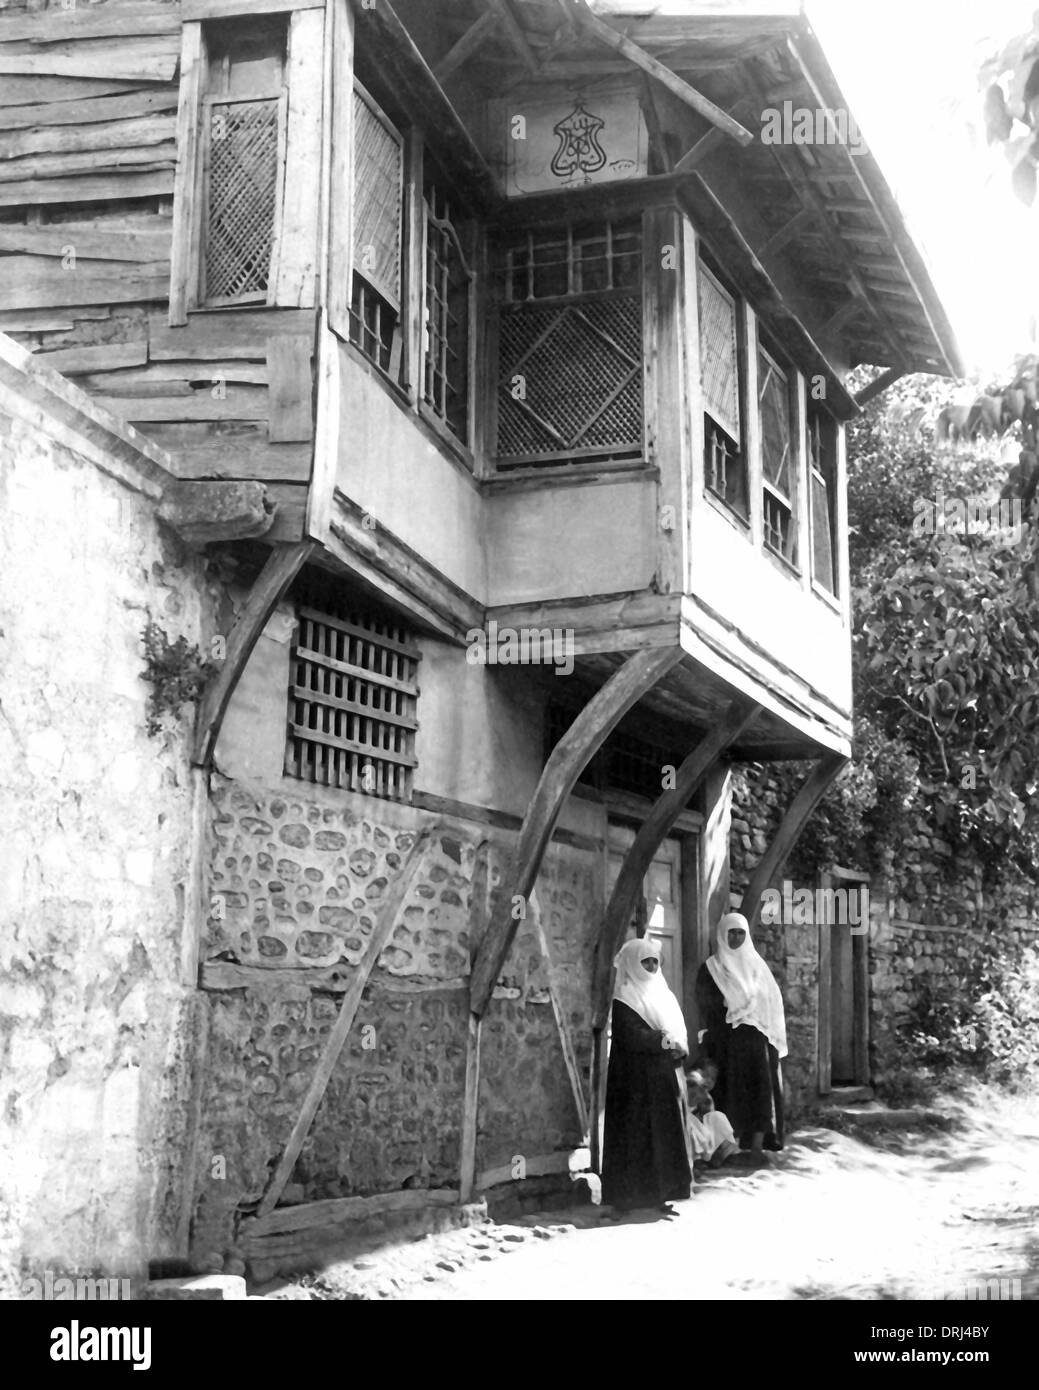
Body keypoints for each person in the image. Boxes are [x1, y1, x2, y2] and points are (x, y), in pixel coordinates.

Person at [601, 937, 692, 1213]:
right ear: (632, 964)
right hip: (636, 1082)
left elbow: (679, 1032)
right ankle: (630, 1198)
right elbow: (632, 1036)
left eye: (654, 961)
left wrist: (680, 1048)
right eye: (645, 961)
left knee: (665, 1136)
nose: (651, 966)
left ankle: (663, 1193)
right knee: (637, 1137)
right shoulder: (625, 998)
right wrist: (663, 1041)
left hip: (665, 1078)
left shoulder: (664, 995)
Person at [695, 912, 787, 1161]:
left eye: (740, 933)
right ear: (722, 935)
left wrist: (755, 1018)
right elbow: (707, 1004)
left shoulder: (758, 968)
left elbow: (771, 1002)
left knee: (759, 1091)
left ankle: (757, 1145)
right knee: (729, 1091)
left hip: (757, 1041)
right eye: (731, 933)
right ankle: (729, 1146)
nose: (735, 938)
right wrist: (730, 1006)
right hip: (726, 1040)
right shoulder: (711, 968)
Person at [686, 1063, 739, 1168]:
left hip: (704, 1134)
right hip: (690, 1133)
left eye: (713, 1078)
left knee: (719, 1118)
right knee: (692, 1124)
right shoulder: (689, 1089)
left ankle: (720, 1156)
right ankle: (695, 1163)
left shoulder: (707, 1099)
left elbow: (710, 1119)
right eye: (706, 1075)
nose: (709, 1080)